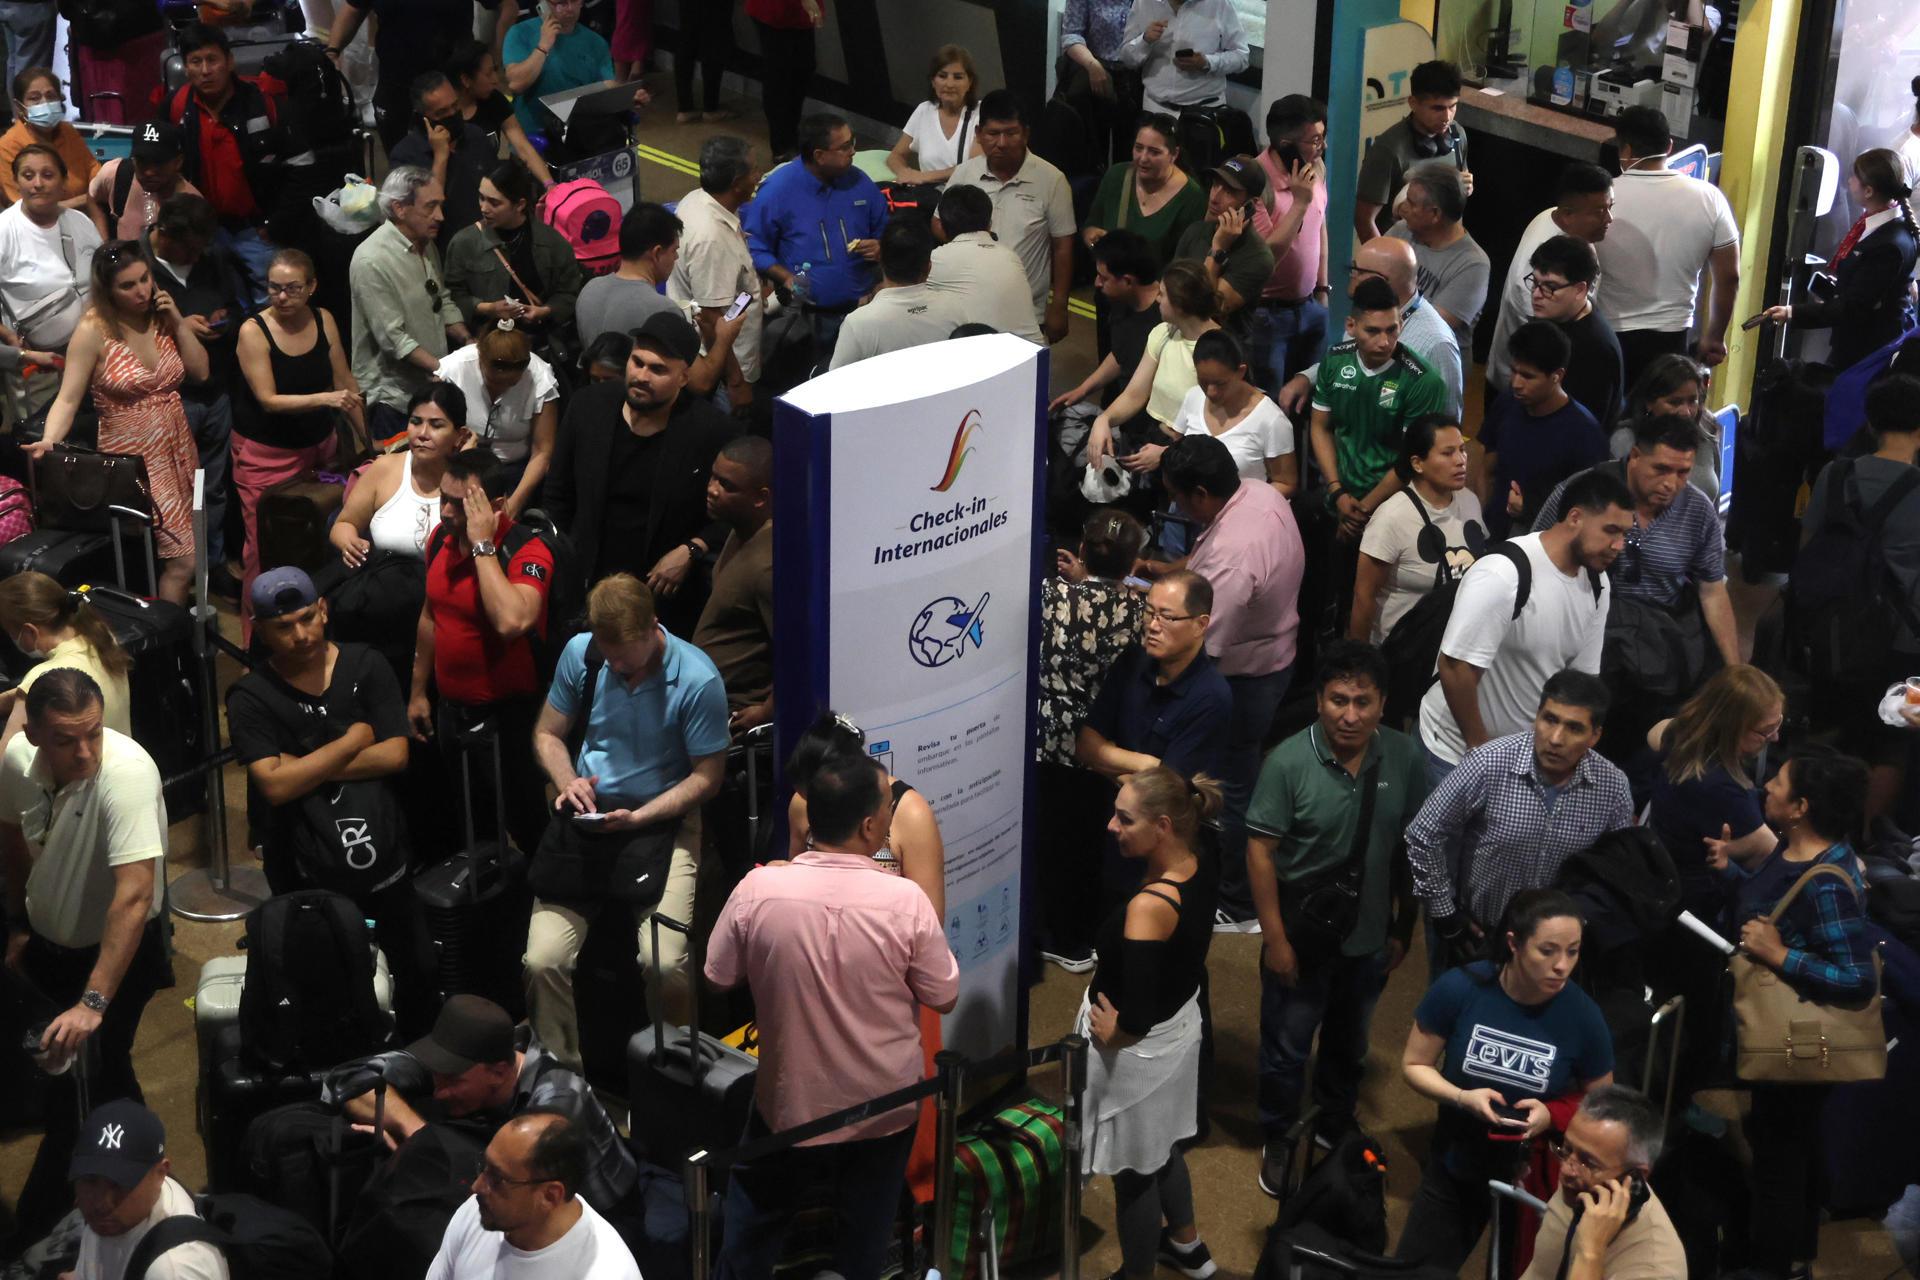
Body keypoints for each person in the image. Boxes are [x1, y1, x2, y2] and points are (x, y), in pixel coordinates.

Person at [708, 745, 959, 1280]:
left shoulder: (758, 889)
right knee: (863, 1242)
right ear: (872, 826)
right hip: (883, 1106)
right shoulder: (906, 902)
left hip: (788, 1103)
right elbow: (944, 994)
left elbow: (717, 975)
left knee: (751, 1232)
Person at [1246, 643, 1428, 1193]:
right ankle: (1279, 1135)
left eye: (1363, 702)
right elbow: (1260, 853)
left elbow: (1409, 848)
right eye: (1338, 700)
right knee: (1286, 1048)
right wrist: (1275, 941)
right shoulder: (1286, 763)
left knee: (1350, 1045)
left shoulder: (1404, 756)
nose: (1350, 715)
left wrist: (1403, 927)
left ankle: (1333, 1124)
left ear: (1383, 704)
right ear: (1320, 701)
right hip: (1301, 938)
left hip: (1369, 939)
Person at [528, 573, 729, 1064]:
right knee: (541, 960)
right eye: (608, 652)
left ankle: (673, 1075)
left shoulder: (698, 679)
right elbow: (548, 734)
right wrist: (568, 779)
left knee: (665, 962)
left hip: (663, 818)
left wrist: (640, 817)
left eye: (626, 655)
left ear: (653, 628)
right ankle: (560, 1080)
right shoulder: (583, 654)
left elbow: (708, 778)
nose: (617, 665)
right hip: (591, 816)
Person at [0, 669, 170, 1247]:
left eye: (93, 734)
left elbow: (134, 895)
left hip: (115, 958)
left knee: (91, 1080)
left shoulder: (127, 774)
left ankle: (37, 1227)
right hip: (50, 951)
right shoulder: (15, 764)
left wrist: (93, 1001)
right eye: (67, 740)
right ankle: (143, 1176)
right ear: (33, 736)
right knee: (89, 1081)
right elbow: (12, 839)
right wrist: (21, 927)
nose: (85, 752)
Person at [224, 567, 430, 1024]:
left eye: (306, 618)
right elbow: (274, 787)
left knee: (415, 965)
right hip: (300, 862)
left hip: (384, 847)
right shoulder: (250, 696)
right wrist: (352, 740)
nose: (300, 635)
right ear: (260, 630)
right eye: (283, 627)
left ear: (324, 610)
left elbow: (395, 754)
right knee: (324, 977)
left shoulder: (366, 663)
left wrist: (301, 766)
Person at [1394, 890, 1615, 1270]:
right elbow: (1415, 1065)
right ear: (1513, 943)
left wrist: (1551, 1115)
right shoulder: (1460, 988)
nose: (1562, 966)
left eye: (1573, 951)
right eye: (1548, 951)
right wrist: (1463, 1097)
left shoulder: (1583, 1016)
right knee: (1416, 1271)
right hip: (1456, 1163)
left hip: (1533, 1178)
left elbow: (1605, 1102)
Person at [1722, 749, 1874, 1279]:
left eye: (1779, 783)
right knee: (1790, 1151)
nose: (1767, 787)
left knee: (1780, 1163)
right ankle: (1795, 1257)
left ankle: (1772, 1267)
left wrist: (1781, 955)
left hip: (1797, 1045)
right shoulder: (1788, 850)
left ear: (1801, 807)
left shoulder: (1827, 878)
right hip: (1779, 1035)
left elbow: (1858, 978)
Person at [1078, 765, 1222, 1280]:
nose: (1111, 827)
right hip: (1180, 1026)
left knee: (1135, 1169)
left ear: (1163, 826)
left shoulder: (1148, 908)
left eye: (1125, 819)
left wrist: (1114, 1035)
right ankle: (1186, 1243)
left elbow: (1134, 1016)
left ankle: (1135, 1273)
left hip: (1138, 1054)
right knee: (1163, 1145)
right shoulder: (1202, 854)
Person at [1163, 433, 1304, 928]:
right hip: (1277, 656)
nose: (1176, 505)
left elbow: (1199, 650)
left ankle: (1239, 899)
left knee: (1235, 788)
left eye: (1179, 497)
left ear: (1200, 495)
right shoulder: (1259, 492)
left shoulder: (1232, 559)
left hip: (1246, 680)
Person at [342, 995, 637, 1225]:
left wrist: (421, 1147)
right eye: (436, 1076)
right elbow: (348, 1081)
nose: (439, 1091)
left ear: (498, 1073)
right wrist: (412, 1129)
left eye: (454, 1081)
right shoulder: (461, 1059)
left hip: (599, 1221)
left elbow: (503, 1190)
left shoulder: (558, 1101)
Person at [1409, 671, 1633, 962]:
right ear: (1536, 716)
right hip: (1477, 938)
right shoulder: (1488, 764)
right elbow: (1423, 832)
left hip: (1555, 951)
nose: (1555, 738)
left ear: (1595, 736)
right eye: (1550, 720)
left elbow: (1615, 873)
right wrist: (1445, 913)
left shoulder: (1612, 788)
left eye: (1574, 728)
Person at [1418, 468, 1630, 776]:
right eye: (1610, 530)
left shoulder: (1598, 584)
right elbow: (1454, 668)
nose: (1618, 545)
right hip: (1453, 754)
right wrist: (1481, 754)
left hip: (1522, 764)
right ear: (1574, 518)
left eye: (1625, 534)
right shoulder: (1504, 574)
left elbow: (1581, 684)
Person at [30, 240, 209, 605]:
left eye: (145, 279)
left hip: (177, 448)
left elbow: (201, 372)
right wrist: (50, 441)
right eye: (128, 285)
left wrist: (177, 320)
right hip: (134, 461)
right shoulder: (92, 330)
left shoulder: (161, 315)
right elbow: (67, 398)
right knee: (182, 561)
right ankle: (165, 646)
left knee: (191, 552)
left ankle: (181, 639)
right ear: (108, 290)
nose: (142, 291)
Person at [544, 311, 737, 636]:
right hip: (587, 583)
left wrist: (692, 548)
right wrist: (566, 561)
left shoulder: (710, 430)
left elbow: (735, 512)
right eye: (638, 362)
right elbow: (558, 493)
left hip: (662, 595)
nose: (642, 376)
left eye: (658, 369)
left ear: (683, 378)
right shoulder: (589, 406)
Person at [1641, 664, 1782, 1102]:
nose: (1773, 739)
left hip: (1657, 888)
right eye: (1764, 731)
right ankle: (1688, 1101)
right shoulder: (1722, 789)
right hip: (1695, 915)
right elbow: (1768, 853)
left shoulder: (1679, 737)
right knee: (1700, 1015)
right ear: (1731, 727)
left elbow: (1654, 732)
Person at [410, 450, 555, 858]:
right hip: (453, 710)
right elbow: (430, 615)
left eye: (461, 503)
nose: (447, 511)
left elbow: (511, 621)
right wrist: (419, 691)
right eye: (444, 498)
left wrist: (482, 545)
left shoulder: (527, 552)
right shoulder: (440, 540)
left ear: (494, 505)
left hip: (509, 716)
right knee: (472, 817)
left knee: (525, 819)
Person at [1534, 413, 1741, 673]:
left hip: (1656, 650)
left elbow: (1712, 591)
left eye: (1682, 473)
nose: (1670, 483)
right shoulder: (1582, 491)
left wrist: (1734, 669)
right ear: (1634, 456)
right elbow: (1536, 557)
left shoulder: (1698, 510)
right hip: (1576, 637)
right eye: (1661, 469)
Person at [1800, 371, 1920, 818]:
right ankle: (1862, 838)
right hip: (1902, 641)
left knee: (1827, 728)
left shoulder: (1835, 474)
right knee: (1890, 744)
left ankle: (1808, 823)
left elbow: (1808, 548)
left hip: (1833, 628)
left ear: (1870, 423)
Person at [1307, 275, 1450, 631]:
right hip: (1339, 502)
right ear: (1351, 326)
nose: (1385, 341)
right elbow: (1321, 427)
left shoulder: (1422, 381)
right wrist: (1337, 491)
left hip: (1387, 511)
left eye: (1393, 329)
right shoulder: (1335, 360)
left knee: (1370, 606)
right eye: (1373, 331)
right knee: (1323, 594)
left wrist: (1361, 510)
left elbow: (1410, 461)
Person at [1038, 509, 1148, 971]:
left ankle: (1062, 939)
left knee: (1055, 845)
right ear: (1133, 563)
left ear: (1082, 550)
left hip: (1050, 743)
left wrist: (1080, 581)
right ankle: (1087, 937)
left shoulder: (1048, 595)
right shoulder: (1140, 611)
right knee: (1095, 844)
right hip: (1106, 745)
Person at [233, 248, 364, 630]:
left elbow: (345, 382)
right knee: (263, 548)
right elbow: (268, 400)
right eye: (274, 289)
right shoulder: (253, 330)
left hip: (319, 447)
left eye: (292, 289)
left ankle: (313, 622)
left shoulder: (324, 319)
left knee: (317, 539)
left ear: (312, 287)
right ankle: (253, 640)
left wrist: (365, 443)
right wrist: (326, 399)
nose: (282, 298)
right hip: (266, 454)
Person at [144, 193, 247, 586]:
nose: (197, 254)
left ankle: (211, 563)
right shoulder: (141, 267)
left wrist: (226, 319)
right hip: (171, 398)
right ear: (164, 233)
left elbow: (239, 308)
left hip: (216, 391)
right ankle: (176, 571)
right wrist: (180, 325)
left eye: (202, 246)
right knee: (174, 493)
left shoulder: (213, 259)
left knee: (213, 488)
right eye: (190, 247)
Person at [1596, 105, 1740, 380]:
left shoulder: (1602, 198)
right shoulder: (1709, 198)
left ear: (1624, 150)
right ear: (1670, 146)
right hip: (1673, 340)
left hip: (1610, 335)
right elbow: (1729, 277)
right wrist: (1715, 336)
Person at [427, 1111, 640, 1280]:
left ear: (550, 1196)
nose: (477, 1187)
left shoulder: (610, 1273)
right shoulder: (477, 1212)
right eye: (485, 1166)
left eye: (497, 1178)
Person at [744, 112, 887, 361]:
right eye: (844, 147)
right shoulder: (777, 191)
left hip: (862, 312)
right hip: (806, 320)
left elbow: (884, 228)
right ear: (819, 155)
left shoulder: (861, 182)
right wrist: (785, 277)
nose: (853, 151)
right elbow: (754, 245)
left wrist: (880, 246)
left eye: (852, 142)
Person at [1759, 148, 1918, 372]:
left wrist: (1793, 312)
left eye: (1855, 178)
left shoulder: (1889, 245)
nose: (1850, 181)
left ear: (1869, 191)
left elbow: (1854, 307)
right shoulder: (1877, 225)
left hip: (1863, 350)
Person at [1276, 235, 1463, 421]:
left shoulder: (1437, 344)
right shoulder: (1366, 312)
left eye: (1357, 270)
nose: (1352, 276)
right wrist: (1307, 378)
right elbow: (1346, 361)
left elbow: (1446, 425)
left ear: (1380, 280)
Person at [1078, 570, 1234, 791]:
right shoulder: (1133, 661)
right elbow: (1086, 745)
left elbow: (1167, 790)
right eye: (1150, 612)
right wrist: (1148, 764)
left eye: (1167, 617)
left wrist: (1110, 763)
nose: (1152, 626)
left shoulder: (1211, 697)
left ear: (1200, 625)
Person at [350, 167, 472, 445]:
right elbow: (393, 339)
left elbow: (441, 299)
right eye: (430, 207)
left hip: (430, 388)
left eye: (441, 205)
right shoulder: (371, 259)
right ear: (399, 208)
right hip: (394, 401)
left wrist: (468, 343)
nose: (440, 216)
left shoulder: (426, 245)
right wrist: (446, 370)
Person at [944, 90, 1077, 343]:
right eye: (993, 134)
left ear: (1026, 133)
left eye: (1011, 133)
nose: (1002, 143)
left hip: (1027, 312)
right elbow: (939, 223)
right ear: (979, 134)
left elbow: (1063, 246)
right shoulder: (963, 175)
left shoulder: (1052, 180)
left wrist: (1059, 305)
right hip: (968, 308)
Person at [1519, 1086, 1685, 1279]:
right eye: (1566, 1149)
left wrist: (1591, 1253)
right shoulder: (1580, 1187)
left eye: (1588, 1163)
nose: (1565, 1170)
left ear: (1636, 1174)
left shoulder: (1653, 1269)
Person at [1351, 414, 1486, 649]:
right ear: (1417, 463)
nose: (1461, 460)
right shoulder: (1391, 518)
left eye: (1462, 450)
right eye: (1447, 453)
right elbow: (1364, 597)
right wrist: (1359, 665)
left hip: (1454, 649)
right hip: (1402, 654)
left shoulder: (1470, 501)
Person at [1048, 232, 1165, 496]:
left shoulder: (1163, 320)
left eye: (1104, 277)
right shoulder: (1122, 302)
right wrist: (1083, 390)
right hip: (1130, 426)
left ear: (1128, 281)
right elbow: (1120, 354)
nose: (1096, 284)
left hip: (1155, 437)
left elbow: (1141, 390)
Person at [1486, 163, 1616, 400]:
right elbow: (1543, 346)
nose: (1609, 218)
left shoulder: (1554, 217)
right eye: (1599, 212)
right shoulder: (1541, 275)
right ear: (1568, 215)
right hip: (1520, 391)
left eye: (1610, 207)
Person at [168, 24, 283, 287]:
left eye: (212, 59)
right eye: (196, 62)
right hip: (206, 233)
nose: (205, 70)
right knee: (222, 302)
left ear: (229, 61)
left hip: (256, 230)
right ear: (186, 68)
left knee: (270, 302)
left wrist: (273, 224)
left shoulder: (261, 102)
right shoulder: (176, 108)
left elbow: (296, 167)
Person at [1083, 259, 1219, 477]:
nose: (1157, 300)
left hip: (1190, 459)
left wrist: (1167, 454)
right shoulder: (1163, 333)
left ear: (1180, 304)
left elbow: (1218, 429)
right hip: (1153, 443)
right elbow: (1135, 393)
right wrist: (1104, 419)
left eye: (1162, 295)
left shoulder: (1218, 351)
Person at [69, 1100, 231, 1280]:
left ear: (161, 1173)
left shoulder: (174, 1269)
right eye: (90, 1180)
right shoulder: (114, 1219)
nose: (101, 1202)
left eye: (119, 1184)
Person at [1478, 320, 1608, 540]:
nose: (1516, 383)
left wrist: (1530, 512)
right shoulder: (1508, 402)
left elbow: (1590, 509)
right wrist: (1479, 520)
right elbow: (1487, 467)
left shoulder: (1585, 435)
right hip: (1492, 538)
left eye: (1528, 376)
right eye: (1514, 371)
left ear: (1557, 375)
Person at [0, 143, 101, 413]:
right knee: (46, 441)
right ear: (16, 182)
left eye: (47, 175)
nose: (37, 184)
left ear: (63, 182)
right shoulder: (5, 230)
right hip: (42, 360)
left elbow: (101, 275)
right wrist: (8, 337)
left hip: (94, 349)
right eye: (28, 175)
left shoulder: (80, 221)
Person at [667, 135, 765, 410]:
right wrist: (736, 382)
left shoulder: (697, 199)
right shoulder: (711, 238)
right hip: (723, 370)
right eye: (754, 170)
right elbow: (711, 320)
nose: (759, 175)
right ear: (736, 183)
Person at [444, 157, 586, 344]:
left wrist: (546, 311)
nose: (484, 208)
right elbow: (451, 296)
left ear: (520, 205)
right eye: (481, 198)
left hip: (539, 343)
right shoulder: (464, 243)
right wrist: (487, 308)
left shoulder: (553, 244)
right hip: (489, 344)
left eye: (494, 203)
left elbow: (569, 292)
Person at [331, 383, 470, 566]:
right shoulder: (384, 468)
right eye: (415, 422)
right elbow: (344, 524)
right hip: (387, 584)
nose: (422, 434)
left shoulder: (472, 478)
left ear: (460, 435)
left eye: (436, 425)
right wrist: (351, 543)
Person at [1497, 234, 1624, 431]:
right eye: (1535, 282)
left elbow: (1584, 425)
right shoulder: (1552, 316)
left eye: (1550, 287)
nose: (1537, 295)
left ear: (1580, 290)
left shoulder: (1595, 349)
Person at [692, 435, 775, 738]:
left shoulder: (769, 563)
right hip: (712, 700)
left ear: (760, 497)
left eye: (727, 486)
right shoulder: (740, 528)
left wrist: (767, 711)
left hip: (737, 713)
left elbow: (797, 651)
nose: (712, 490)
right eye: (713, 477)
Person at [433, 323, 560, 516]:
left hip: (514, 472)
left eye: (512, 383)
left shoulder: (540, 377)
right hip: (458, 465)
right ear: (480, 359)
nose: (502, 388)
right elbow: (433, 426)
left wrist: (513, 505)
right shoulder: (455, 368)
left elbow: (543, 451)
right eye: (494, 382)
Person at [499, 0, 649, 161]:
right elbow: (517, 84)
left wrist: (627, 97)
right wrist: (543, 46)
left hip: (582, 135)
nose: (570, 9)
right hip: (537, 137)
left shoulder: (596, 42)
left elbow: (605, 88)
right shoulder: (520, 33)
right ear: (544, 4)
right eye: (561, 3)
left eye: (575, 1)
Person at [1250, 95, 1331, 389]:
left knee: (1307, 396)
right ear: (1285, 143)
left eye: (1323, 137)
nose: (1321, 146)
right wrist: (1299, 202)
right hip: (1268, 316)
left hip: (1311, 307)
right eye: (1314, 140)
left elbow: (1320, 225)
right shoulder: (1257, 182)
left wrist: (1322, 289)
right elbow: (1265, 255)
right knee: (1271, 400)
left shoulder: (1316, 168)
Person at [327, 0, 476, 150]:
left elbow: (499, 5)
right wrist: (333, 50)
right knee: (399, 156)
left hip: (451, 83)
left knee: (460, 155)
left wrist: (495, 60)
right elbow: (354, 9)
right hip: (395, 80)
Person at [0, 573, 131, 742]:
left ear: (29, 631)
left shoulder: (47, 676)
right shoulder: (101, 636)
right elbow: (29, 691)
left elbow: (5, 762)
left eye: (8, 630)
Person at [1354, 60, 1470, 244]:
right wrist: (1383, 265)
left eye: (1452, 106)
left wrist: (1466, 187)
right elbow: (1364, 219)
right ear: (1413, 103)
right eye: (1437, 108)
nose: (1447, 117)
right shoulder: (1388, 149)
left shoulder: (1457, 135)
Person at [1168, 329, 1296, 493]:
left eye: (1220, 383)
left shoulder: (1271, 420)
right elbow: (1178, 450)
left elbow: (1286, 483)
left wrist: (1240, 506)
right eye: (1203, 381)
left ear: (1241, 372)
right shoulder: (1193, 396)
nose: (1210, 392)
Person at [1168, 156, 1274, 348]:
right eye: (1216, 185)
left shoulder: (1258, 256)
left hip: (1220, 355)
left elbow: (1207, 310)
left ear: (1251, 204)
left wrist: (1218, 250)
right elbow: (1169, 292)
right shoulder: (1195, 231)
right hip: (1179, 342)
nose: (1215, 197)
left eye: (1229, 191)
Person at [829, 219, 964, 369]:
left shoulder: (858, 323)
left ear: (880, 260)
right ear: (929, 267)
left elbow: (837, 385)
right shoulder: (956, 307)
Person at [924, 183, 1046, 345]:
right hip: (1036, 357)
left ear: (942, 226)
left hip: (991, 360)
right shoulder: (1010, 256)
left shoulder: (936, 259)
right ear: (989, 223)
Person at [1387, 161, 1489, 353]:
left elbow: (1427, 328)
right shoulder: (1403, 230)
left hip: (1430, 366)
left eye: (1411, 203)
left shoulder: (1473, 265)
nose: (1403, 209)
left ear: (1435, 214)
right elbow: (1366, 278)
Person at [1082, 113, 1206, 271]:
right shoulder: (1116, 176)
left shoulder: (1192, 198)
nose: (1143, 158)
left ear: (1174, 154)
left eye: (1154, 152)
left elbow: (1184, 264)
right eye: (1138, 148)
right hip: (1111, 286)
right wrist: (1093, 238)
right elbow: (1092, 224)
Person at [393, 72, 498, 249]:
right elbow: (425, 214)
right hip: (445, 247)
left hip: (488, 239)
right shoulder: (406, 155)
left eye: (455, 106)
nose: (452, 114)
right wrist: (441, 157)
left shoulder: (475, 135)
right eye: (442, 112)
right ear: (423, 117)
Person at [445, 39, 555, 190]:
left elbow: (522, 146)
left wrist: (550, 185)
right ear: (466, 80)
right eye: (488, 73)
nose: (496, 80)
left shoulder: (494, 100)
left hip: (489, 187)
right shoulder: (442, 114)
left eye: (495, 70)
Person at [1116, 0, 1248, 117]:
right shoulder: (1144, 3)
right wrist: (1144, 41)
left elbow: (1242, 56)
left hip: (1204, 110)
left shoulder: (1220, 4)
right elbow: (1127, 58)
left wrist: (1207, 63)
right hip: (1155, 109)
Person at [1614, 353, 1721, 493]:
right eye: (1674, 402)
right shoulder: (1625, 441)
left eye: (1692, 401)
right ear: (1649, 403)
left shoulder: (1705, 436)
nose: (1686, 412)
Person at [0, 68, 100, 217]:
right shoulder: (8, 145)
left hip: (86, 216)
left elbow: (93, 170)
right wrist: (87, 199)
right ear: (20, 107)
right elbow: (23, 206)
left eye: (51, 96)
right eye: (34, 98)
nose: (45, 103)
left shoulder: (67, 131)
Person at [581, 201, 683, 343]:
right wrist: (723, 335)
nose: (676, 257)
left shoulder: (589, 290)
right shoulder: (663, 311)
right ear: (657, 253)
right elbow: (695, 366)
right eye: (674, 250)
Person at [885, 44, 984, 185]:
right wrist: (905, 174)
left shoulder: (983, 113)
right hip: (928, 198)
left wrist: (923, 177)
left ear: (970, 83)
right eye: (942, 76)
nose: (949, 84)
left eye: (958, 77)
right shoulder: (923, 110)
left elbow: (973, 168)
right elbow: (895, 156)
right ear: (933, 81)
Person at [90, 122, 199, 244]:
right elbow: (92, 198)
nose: (149, 172)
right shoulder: (115, 174)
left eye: (158, 163)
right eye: (142, 161)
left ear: (178, 162)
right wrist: (104, 242)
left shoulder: (191, 204)